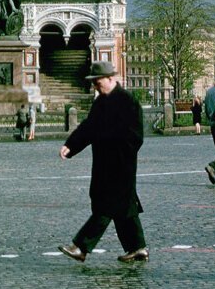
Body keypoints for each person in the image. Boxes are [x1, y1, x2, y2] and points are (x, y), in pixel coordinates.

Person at [58, 61, 148, 264]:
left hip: (120, 164)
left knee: (105, 206)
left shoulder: (128, 101)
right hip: (103, 164)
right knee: (125, 207)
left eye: (98, 82)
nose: (95, 87)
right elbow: (89, 128)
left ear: (110, 78)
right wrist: (71, 145)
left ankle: (81, 246)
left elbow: (135, 136)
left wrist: (121, 155)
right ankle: (137, 248)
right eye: (94, 84)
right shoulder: (100, 103)